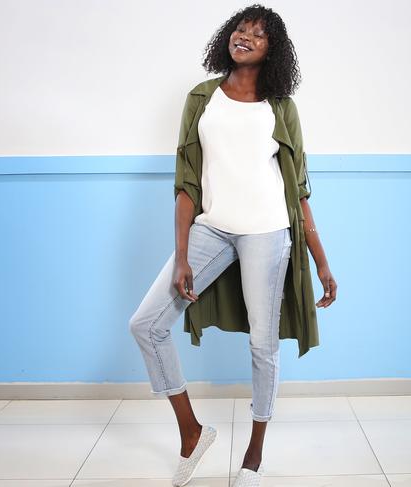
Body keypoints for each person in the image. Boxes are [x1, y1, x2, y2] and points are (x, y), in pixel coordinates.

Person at [129, 4, 337, 486]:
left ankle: (254, 455)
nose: (245, 37)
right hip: (213, 228)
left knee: (263, 346)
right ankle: (191, 432)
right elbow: (186, 182)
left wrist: (321, 262)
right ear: (228, 35)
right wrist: (182, 256)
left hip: (267, 231)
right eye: (241, 29)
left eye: (258, 35)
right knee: (146, 323)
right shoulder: (202, 98)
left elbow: (298, 189)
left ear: (273, 50)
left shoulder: (281, 107)